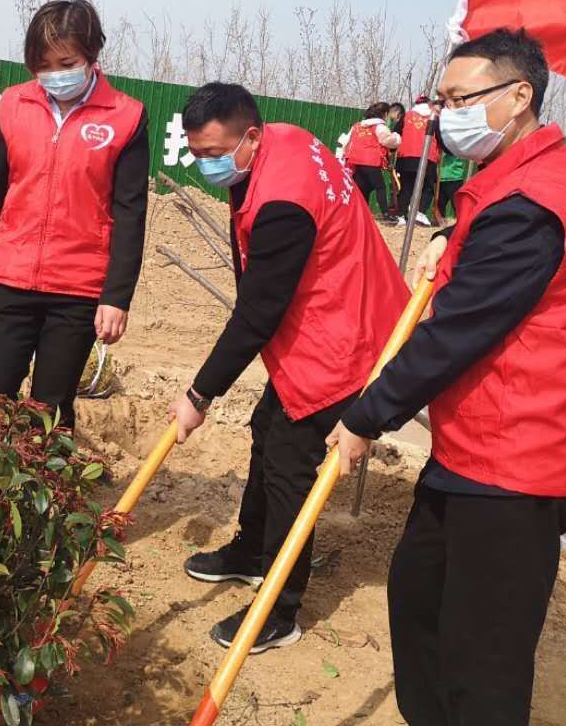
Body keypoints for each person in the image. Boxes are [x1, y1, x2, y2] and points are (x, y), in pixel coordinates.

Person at [328, 28, 566, 726]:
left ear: (519, 95)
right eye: (442, 100)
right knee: (419, 596)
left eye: (461, 99)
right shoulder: (535, 176)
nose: (446, 114)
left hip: (518, 457)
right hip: (483, 443)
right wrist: (447, 238)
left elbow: (456, 332)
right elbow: (492, 261)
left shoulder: (531, 203)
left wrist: (366, 417)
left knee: (482, 657)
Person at [168, 83, 407, 655]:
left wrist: (199, 396)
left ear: (250, 137)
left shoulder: (283, 203)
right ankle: (254, 552)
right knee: (265, 427)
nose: (205, 165)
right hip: (326, 314)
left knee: (288, 463)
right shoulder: (286, 140)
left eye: (213, 153)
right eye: (196, 154)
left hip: (344, 337)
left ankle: (279, 608)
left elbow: (257, 313)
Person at [0, 0, 149, 428]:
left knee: (50, 410)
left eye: (67, 63)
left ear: (92, 56)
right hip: (12, 279)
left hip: (77, 289)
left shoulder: (126, 117)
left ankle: (48, 473)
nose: (55, 75)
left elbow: (130, 215)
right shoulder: (13, 105)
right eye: (43, 65)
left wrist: (116, 297)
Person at [341, 102, 402, 224]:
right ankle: (385, 214)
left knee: (363, 188)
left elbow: (346, 142)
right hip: (370, 161)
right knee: (380, 187)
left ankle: (359, 213)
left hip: (355, 161)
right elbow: (387, 141)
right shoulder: (380, 126)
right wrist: (397, 137)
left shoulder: (356, 126)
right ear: (384, 114)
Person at [396, 94, 440, 225]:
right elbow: (441, 137)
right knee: (428, 187)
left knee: (406, 187)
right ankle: (420, 213)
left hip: (406, 156)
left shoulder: (407, 115)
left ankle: (401, 216)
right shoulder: (434, 117)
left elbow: (396, 133)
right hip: (427, 156)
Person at [437, 152, 468, 223]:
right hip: (441, 178)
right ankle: (439, 223)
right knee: (440, 204)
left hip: (455, 178)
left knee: (456, 204)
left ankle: (460, 222)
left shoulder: (455, 147)